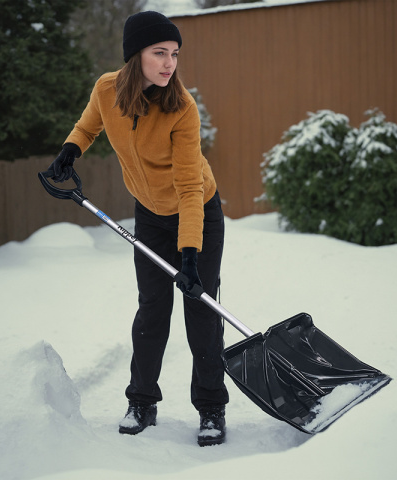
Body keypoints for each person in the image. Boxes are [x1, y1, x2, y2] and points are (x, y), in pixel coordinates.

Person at [48, 11, 229, 447]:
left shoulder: (181, 109)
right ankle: (142, 401)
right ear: (135, 57)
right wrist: (70, 150)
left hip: (197, 213)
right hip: (148, 213)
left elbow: (188, 187)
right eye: (159, 53)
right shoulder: (107, 89)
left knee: (200, 313)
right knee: (152, 310)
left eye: (174, 55)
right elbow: (90, 123)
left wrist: (188, 255)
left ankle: (211, 408)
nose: (169, 64)